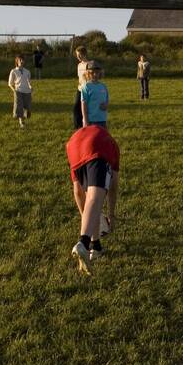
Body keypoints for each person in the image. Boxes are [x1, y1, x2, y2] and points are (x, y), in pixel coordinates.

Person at [65, 124, 120, 275]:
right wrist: (111, 214)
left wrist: (86, 218)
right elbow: (113, 185)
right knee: (96, 196)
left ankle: (95, 247)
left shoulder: (76, 141)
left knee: (90, 200)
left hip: (73, 146)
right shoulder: (112, 145)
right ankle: (83, 243)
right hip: (95, 145)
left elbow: (78, 191)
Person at [79, 60, 110, 128]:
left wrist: (106, 105)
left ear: (100, 73)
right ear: (87, 74)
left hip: (102, 119)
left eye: (97, 73)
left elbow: (107, 100)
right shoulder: (86, 87)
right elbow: (84, 105)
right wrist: (85, 120)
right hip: (91, 120)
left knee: (102, 138)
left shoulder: (103, 86)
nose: (95, 75)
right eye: (92, 73)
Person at [8, 55, 32, 128]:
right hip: (18, 91)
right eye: (20, 60)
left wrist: (30, 87)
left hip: (27, 91)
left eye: (22, 60)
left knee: (27, 108)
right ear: (17, 61)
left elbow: (29, 81)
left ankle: (23, 117)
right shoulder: (13, 71)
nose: (21, 61)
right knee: (20, 106)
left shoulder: (27, 71)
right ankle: (21, 122)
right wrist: (14, 90)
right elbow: (9, 83)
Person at [72, 45, 89, 129]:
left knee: (85, 109)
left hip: (86, 90)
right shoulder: (79, 65)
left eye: (79, 55)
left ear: (84, 54)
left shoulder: (88, 65)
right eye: (77, 55)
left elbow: (89, 78)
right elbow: (79, 77)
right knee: (76, 108)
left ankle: (85, 125)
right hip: (79, 89)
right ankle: (77, 128)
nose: (78, 57)